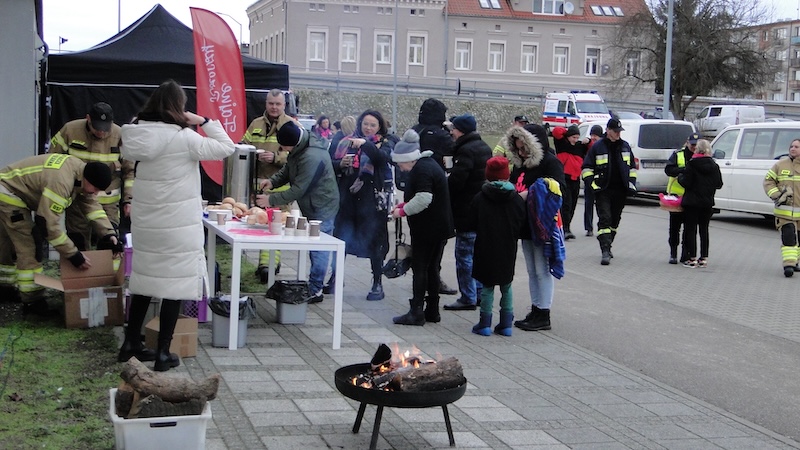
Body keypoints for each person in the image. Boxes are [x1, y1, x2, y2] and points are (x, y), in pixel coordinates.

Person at [120, 79, 235, 371]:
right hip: (177, 225)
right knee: (175, 285)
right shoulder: (185, 138)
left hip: (147, 223)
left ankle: (131, 343)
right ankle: (162, 352)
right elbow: (227, 147)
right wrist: (204, 121)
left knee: (144, 280)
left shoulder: (136, 133)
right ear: (178, 107)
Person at [0, 154, 119, 315]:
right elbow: (48, 225)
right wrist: (72, 254)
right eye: (95, 189)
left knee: (6, 242)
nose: (96, 193)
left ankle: (4, 288)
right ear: (87, 179)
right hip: (8, 194)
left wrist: (108, 234)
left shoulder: (80, 172)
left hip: (7, 187)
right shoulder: (61, 182)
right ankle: (33, 301)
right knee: (30, 243)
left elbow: (92, 207)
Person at [255, 120, 339, 301]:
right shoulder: (300, 147)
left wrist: (270, 199)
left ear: (293, 143)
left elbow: (299, 189)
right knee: (314, 246)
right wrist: (273, 181)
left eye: (285, 147)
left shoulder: (311, 156)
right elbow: (288, 169)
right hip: (311, 204)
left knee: (319, 248)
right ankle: (313, 285)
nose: (284, 150)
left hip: (323, 206)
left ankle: (315, 289)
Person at [503, 124, 565, 332]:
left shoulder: (550, 162)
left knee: (542, 270)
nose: (521, 153)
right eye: (517, 149)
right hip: (525, 223)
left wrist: (530, 194)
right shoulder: (521, 164)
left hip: (542, 224)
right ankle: (536, 308)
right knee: (532, 270)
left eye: (524, 148)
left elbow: (559, 190)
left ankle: (543, 313)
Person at [49, 102, 135, 250]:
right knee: (78, 241)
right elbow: (52, 161)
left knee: (110, 241)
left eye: (105, 128)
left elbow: (130, 171)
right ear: (88, 119)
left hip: (108, 202)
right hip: (78, 200)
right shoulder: (70, 130)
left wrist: (129, 200)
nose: (101, 132)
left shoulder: (120, 136)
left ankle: (108, 266)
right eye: (97, 128)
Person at [391, 130, 454, 326]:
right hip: (439, 227)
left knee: (420, 268)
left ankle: (416, 311)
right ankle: (432, 310)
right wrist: (404, 205)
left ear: (409, 159)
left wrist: (402, 211)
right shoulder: (428, 164)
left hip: (428, 229)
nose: (400, 168)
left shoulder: (422, 170)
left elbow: (424, 198)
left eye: (400, 163)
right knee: (432, 268)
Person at [330, 109, 394, 300]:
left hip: (371, 201)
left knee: (375, 242)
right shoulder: (345, 141)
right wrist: (340, 164)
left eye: (373, 125)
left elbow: (381, 158)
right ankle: (335, 277)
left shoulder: (385, 143)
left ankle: (377, 283)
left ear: (379, 127)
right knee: (341, 238)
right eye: (365, 124)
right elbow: (330, 163)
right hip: (347, 199)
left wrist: (365, 144)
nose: (368, 128)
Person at [468, 156, 526, 336]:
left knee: (487, 285)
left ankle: (485, 323)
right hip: (508, 247)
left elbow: (471, 222)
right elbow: (521, 222)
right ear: (507, 175)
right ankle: (506, 324)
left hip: (485, 246)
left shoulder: (480, 198)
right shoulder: (515, 199)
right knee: (506, 285)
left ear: (488, 175)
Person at [442, 113, 491, 311]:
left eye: (453, 129)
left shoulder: (466, 151)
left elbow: (457, 181)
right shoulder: (484, 147)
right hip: (481, 210)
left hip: (466, 211)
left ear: (460, 130)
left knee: (464, 256)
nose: (451, 132)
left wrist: (444, 187)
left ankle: (467, 296)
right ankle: (478, 293)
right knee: (478, 255)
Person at [243, 89, 293, 283]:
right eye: (271, 103)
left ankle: (269, 266)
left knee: (276, 228)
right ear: (266, 103)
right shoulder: (255, 124)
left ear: (284, 105)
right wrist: (251, 153)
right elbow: (244, 145)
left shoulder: (291, 125)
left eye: (278, 104)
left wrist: (276, 157)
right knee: (261, 228)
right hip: (257, 188)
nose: (274, 107)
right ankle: (264, 265)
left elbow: (297, 156)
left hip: (280, 190)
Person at [410, 98, 457, 296]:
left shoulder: (414, 131)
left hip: (414, 187)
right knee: (437, 243)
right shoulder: (441, 135)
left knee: (419, 241)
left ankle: (421, 280)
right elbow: (453, 153)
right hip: (437, 190)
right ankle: (434, 280)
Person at [581, 118, 637, 265]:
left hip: (621, 190)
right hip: (603, 189)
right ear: (608, 131)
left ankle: (608, 243)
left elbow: (632, 167)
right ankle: (605, 250)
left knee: (615, 220)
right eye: (615, 131)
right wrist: (592, 185)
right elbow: (586, 168)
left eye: (619, 131)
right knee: (605, 218)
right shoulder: (597, 147)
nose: (618, 134)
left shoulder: (625, 146)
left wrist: (631, 184)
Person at [677, 139, 722, 268]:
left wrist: (680, 178)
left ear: (697, 149)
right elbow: (719, 184)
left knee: (691, 230)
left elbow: (686, 182)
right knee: (704, 230)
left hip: (692, 202)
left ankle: (692, 258)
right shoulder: (714, 166)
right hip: (707, 202)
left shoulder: (692, 164)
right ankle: (704, 258)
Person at [764, 138, 800, 277]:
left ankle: (795, 261)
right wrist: (777, 195)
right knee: (789, 237)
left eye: (796, 147)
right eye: (791, 146)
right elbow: (768, 181)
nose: (793, 149)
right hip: (784, 212)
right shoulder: (780, 165)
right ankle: (788, 265)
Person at [664, 133, 700, 264]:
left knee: (689, 228)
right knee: (674, 227)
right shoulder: (678, 154)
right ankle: (673, 253)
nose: (694, 147)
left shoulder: (700, 156)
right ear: (687, 143)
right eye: (692, 145)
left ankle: (685, 254)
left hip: (692, 197)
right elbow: (668, 170)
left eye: (696, 145)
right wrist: (683, 170)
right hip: (676, 196)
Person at [552, 124, 585, 240]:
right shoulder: (561, 143)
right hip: (564, 178)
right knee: (566, 204)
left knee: (572, 205)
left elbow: (592, 146)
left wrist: (588, 141)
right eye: (573, 137)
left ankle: (567, 226)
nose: (575, 140)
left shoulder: (580, 146)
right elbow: (556, 131)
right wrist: (567, 132)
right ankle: (564, 229)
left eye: (577, 137)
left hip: (576, 179)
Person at [583, 125, 604, 237]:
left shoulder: (603, 146)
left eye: (595, 135)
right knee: (588, 204)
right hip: (589, 180)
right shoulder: (588, 145)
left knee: (602, 205)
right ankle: (589, 228)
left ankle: (603, 226)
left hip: (601, 180)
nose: (593, 137)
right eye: (592, 135)